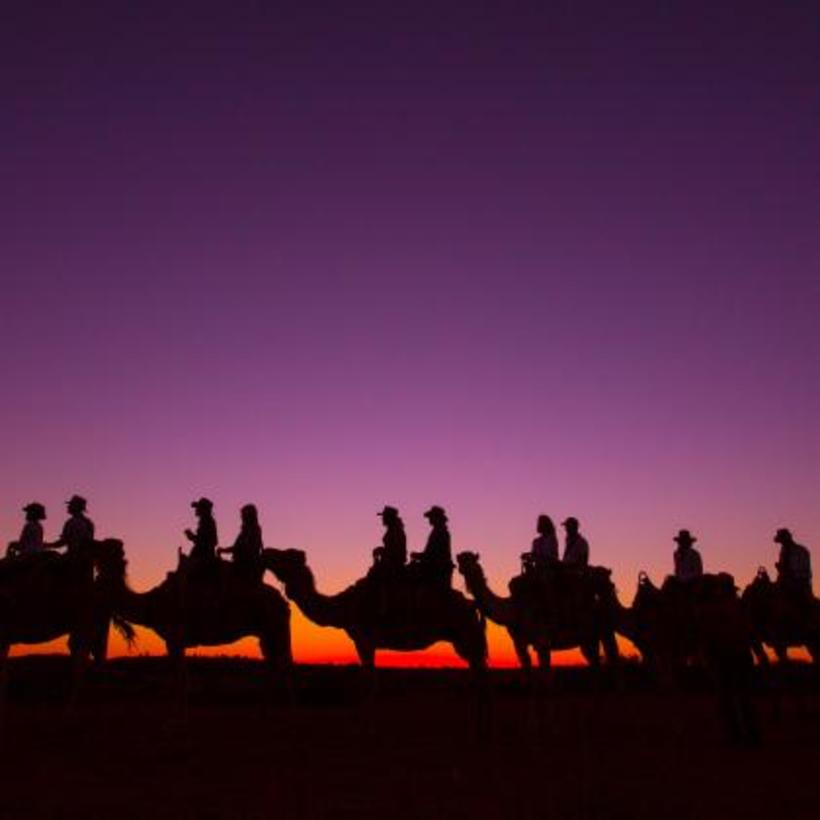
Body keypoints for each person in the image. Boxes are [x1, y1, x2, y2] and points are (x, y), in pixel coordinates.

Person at [218, 503, 262, 581]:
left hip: (245, 565)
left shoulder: (251, 530)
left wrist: (224, 550)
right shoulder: (248, 530)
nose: (241, 517)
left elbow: (241, 547)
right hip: (243, 563)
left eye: (243, 515)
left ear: (248, 516)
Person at [412, 506, 453, 588]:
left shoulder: (440, 532)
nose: (429, 519)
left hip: (437, 569)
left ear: (437, 518)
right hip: (437, 566)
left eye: (431, 517)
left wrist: (420, 556)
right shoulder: (439, 531)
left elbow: (434, 553)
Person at [774, 528, 812, 600]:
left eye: (782, 541)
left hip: (799, 584)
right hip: (784, 583)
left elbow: (804, 572)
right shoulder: (783, 551)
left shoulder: (801, 551)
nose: (782, 543)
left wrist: (787, 572)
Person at [372, 506, 407, 571]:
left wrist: (381, 551)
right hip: (389, 563)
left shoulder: (396, 531)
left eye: (384, 517)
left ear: (389, 518)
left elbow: (395, 551)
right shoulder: (393, 529)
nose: (382, 519)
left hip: (393, 566)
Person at [185, 497, 218, 563]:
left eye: (198, 508)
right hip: (202, 556)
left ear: (203, 509)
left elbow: (205, 541)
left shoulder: (207, 522)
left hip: (203, 558)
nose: (196, 509)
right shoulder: (206, 521)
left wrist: (191, 536)